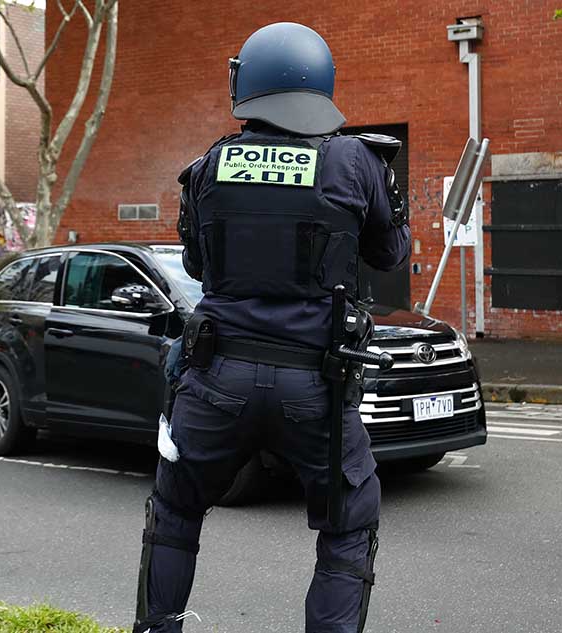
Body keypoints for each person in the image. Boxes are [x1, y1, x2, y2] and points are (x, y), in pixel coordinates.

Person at [131, 23, 411, 633]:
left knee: (176, 509)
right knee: (349, 521)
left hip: (217, 377)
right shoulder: (357, 161)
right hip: (316, 385)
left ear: (250, 85)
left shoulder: (207, 167)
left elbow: (198, 267)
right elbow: (390, 257)